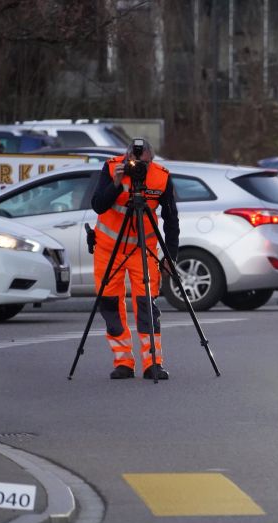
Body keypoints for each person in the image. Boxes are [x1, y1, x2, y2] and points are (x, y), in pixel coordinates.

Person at [90, 139, 179, 380]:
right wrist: (117, 184)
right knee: (110, 304)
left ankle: (153, 363)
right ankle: (123, 362)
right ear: (125, 157)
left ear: (152, 159)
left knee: (146, 305)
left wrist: (170, 255)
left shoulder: (161, 177)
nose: (138, 167)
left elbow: (172, 220)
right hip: (108, 250)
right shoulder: (111, 169)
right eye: (134, 162)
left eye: (144, 163)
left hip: (143, 249)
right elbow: (98, 205)